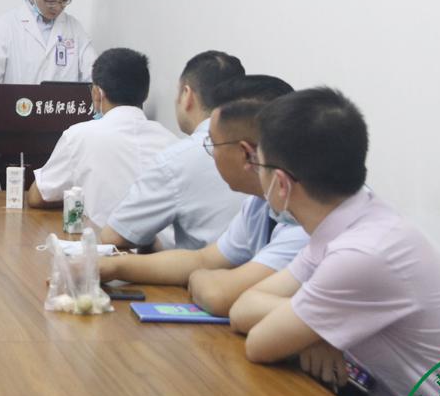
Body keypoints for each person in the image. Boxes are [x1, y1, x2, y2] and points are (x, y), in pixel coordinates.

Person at [230, 88, 440, 396]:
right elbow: (243, 307)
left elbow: (259, 344)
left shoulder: (364, 254)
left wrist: (310, 328)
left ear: (282, 183)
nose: (254, 173)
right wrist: (316, 331)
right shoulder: (350, 220)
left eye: (258, 164)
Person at [98, 75, 301, 315]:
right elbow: (202, 260)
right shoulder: (259, 204)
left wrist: (201, 277)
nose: (210, 154)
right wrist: (112, 266)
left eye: (212, 144)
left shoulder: (303, 225)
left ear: (245, 153)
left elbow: (218, 294)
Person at [97, 50, 246, 250]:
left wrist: (147, 238)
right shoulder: (257, 150)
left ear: (187, 95)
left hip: (199, 267)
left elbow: (114, 236)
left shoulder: (178, 158)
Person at [27, 49, 177, 226]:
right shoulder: (172, 142)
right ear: (145, 93)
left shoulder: (79, 136)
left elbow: (38, 196)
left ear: (97, 93)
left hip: (104, 241)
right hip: (162, 243)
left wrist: (78, 195)